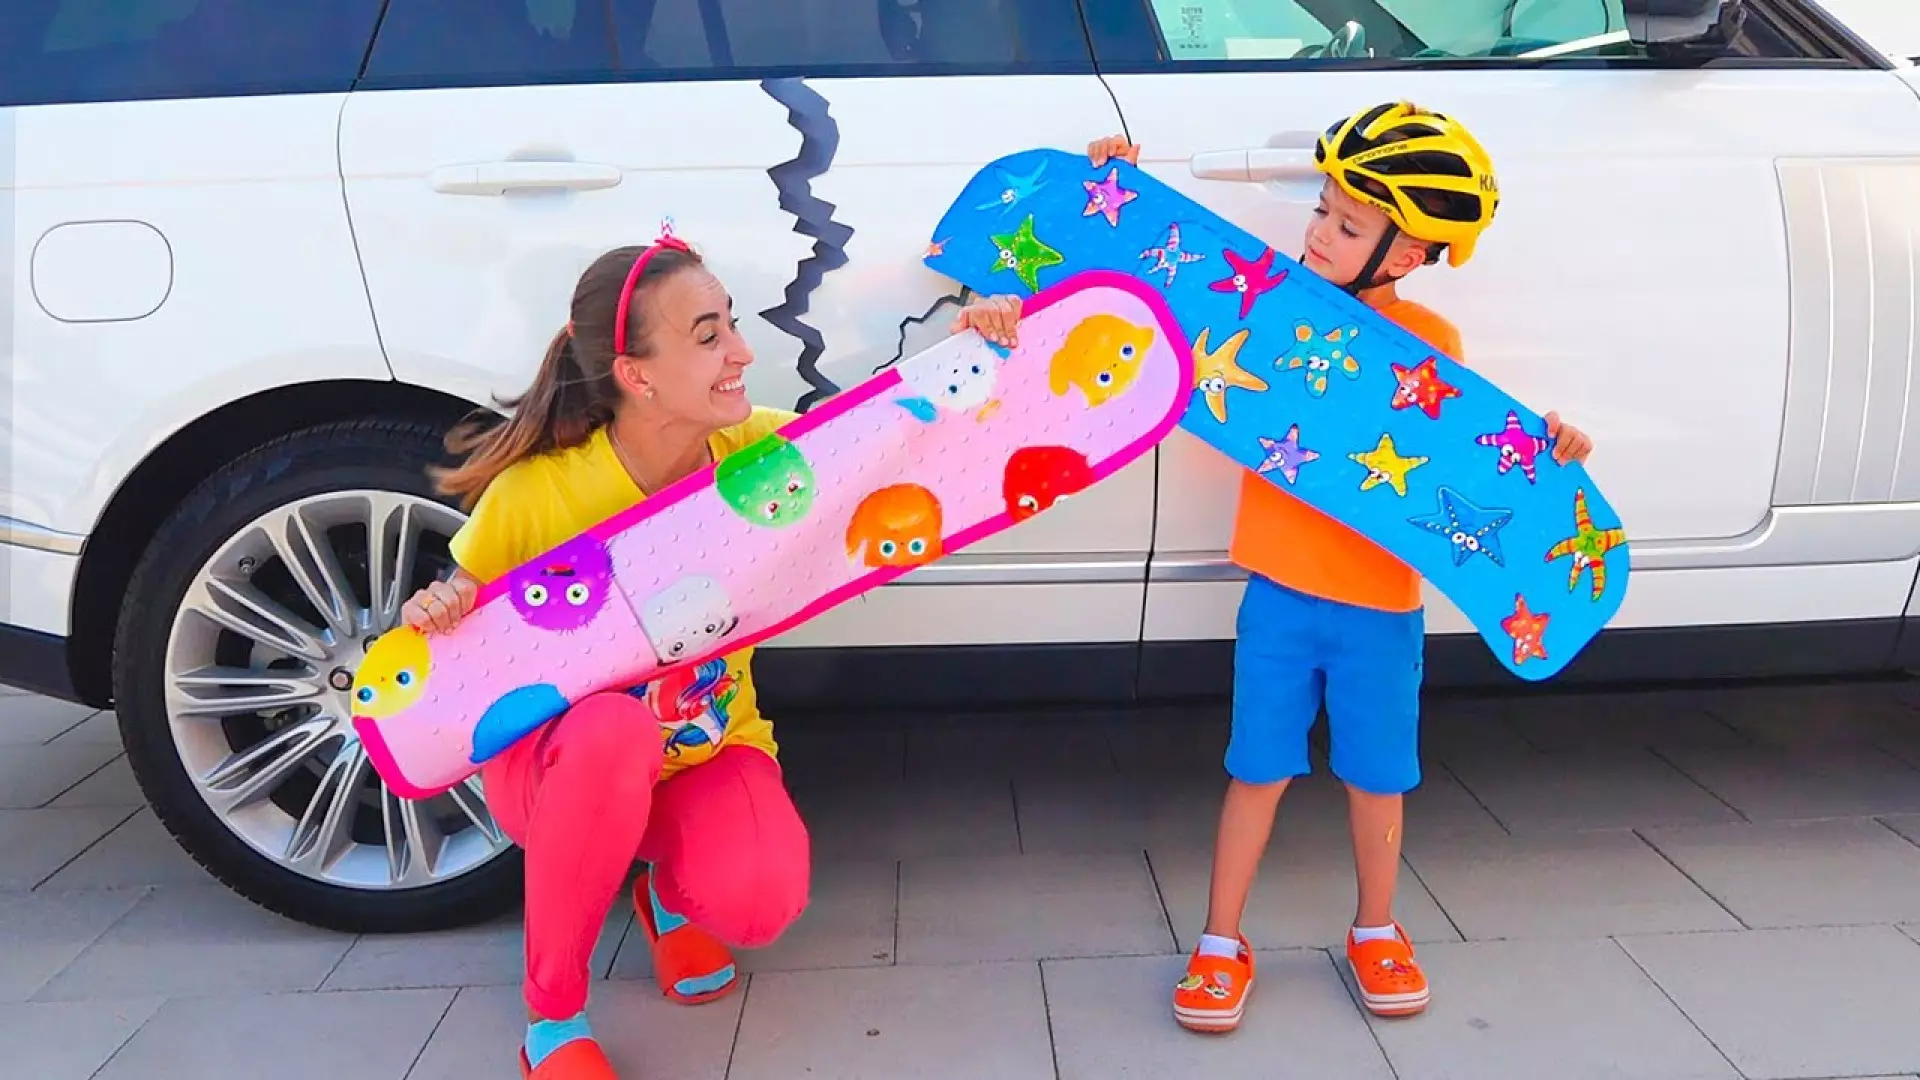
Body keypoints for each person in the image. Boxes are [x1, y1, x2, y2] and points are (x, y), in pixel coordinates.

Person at [964, 103, 1595, 1033]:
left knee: (1379, 777)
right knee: (1256, 768)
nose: (1320, 233)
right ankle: (1221, 940)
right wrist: (1116, 191)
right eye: (1323, 212)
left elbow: (1477, 455)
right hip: (1280, 600)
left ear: (1410, 254)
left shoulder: (1430, 346)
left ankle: (1377, 929)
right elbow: (1152, 298)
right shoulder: (1265, 308)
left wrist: (1553, 450)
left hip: (1381, 608)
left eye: (1349, 225)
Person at [398, 232, 814, 1080]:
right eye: (709, 336)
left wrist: (994, 337)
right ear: (637, 375)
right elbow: (452, 623)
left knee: (761, 899)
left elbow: (902, 433)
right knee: (613, 733)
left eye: (731, 324)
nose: (742, 351)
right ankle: (552, 1020)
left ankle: (665, 895)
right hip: (562, 769)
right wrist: (434, 612)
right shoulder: (537, 494)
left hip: (703, 748)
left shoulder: (761, 454)